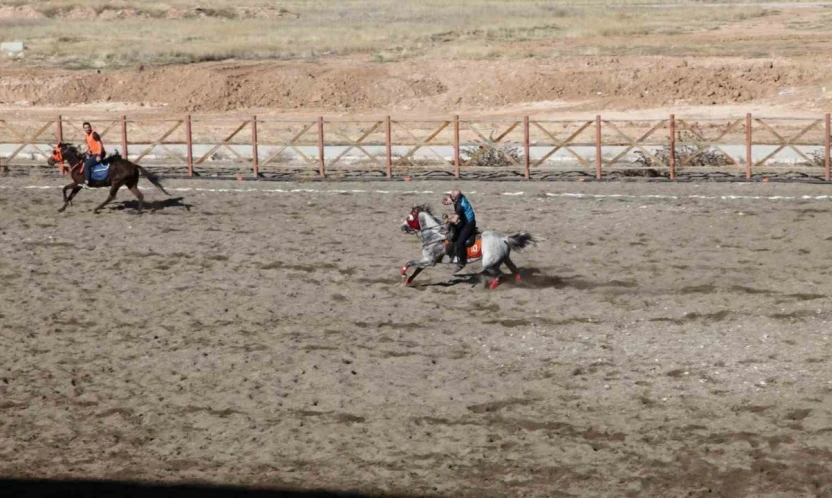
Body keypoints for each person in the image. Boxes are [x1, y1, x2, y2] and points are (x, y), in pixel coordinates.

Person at [442, 189, 477, 274]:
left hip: (469, 224)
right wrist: (447, 200)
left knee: (460, 242)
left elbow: (455, 219)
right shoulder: (459, 196)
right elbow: (451, 193)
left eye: (451, 197)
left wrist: (447, 220)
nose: (449, 197)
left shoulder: (460, 206)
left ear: (454, 197)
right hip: (464, 221)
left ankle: (462, 262)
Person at [82, 122, 105, 186]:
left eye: (88, 127)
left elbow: (100, 144)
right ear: (84, 129)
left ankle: (87, 182)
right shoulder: (86, 137)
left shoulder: (94, 134)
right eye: (85, 128)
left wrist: (99, 155)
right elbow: (88, 146)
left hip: (99, 153)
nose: (87, 129)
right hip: (93, 154)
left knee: (87, 165)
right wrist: (84, 152)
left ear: (90, 127)